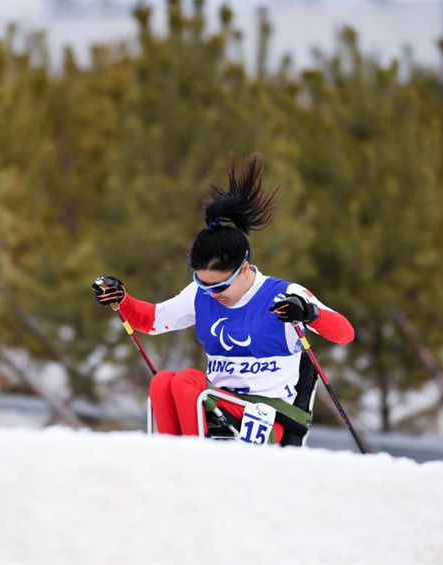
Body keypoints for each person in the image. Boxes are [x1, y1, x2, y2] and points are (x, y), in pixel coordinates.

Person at [92, 154, 354, 443]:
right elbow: (152, 321)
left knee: (187, 380)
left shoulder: (283, 295)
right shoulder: (201, 295)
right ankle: (172, 460)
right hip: (218, 409)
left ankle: (200, 459)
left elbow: (345, 333)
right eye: (202, 284)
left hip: (267, 415)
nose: (211, 294)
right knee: (163, 382)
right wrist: (122, 299)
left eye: (219, 286)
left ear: (243, 269)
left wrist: (309, 313)